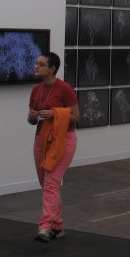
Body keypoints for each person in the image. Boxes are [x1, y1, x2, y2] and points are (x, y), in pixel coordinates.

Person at [27, 51, 79, 243]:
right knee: (46, 182)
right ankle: (57, 225)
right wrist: (32, 117)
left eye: (41, 64)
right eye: (36, 63)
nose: (36, 66)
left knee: (51, 181)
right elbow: (32, 119)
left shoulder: (65, 89)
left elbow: (75, 117)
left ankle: (45, 226)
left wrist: (54, 114)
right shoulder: (36, 90)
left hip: (62, 139)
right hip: (41, 138)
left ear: (52, 69)